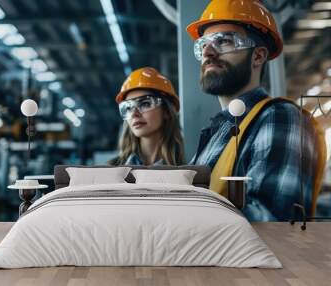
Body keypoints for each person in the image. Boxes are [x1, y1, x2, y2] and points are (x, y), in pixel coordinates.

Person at [186, 0, 326, 221]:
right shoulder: (217, 133)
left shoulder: (280, 117)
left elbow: (271, 223)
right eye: (203, 45)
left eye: (223, 41)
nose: (208, 52)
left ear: (258, 56)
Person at [109, 67, 185, 166]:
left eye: (145, 103)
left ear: (166, 111)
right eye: (128, 108)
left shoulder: (183, 174)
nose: (134, 114)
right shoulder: (113, 171)